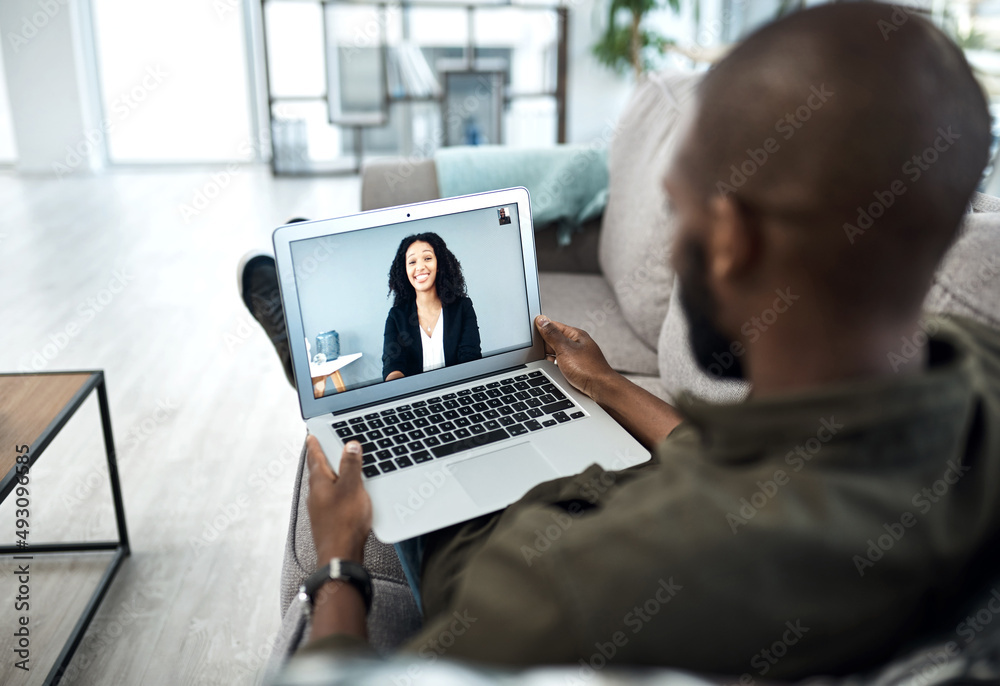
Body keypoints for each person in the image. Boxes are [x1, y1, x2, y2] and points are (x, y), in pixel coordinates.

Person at [255, 3, 1000, 680]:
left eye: (679, 212)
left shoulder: (566, 591)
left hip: (515, 532)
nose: (671, 247)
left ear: (732, 241)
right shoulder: (974, 381)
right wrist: (607, 383)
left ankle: (310, 366)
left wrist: (341, 560)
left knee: (403, 447)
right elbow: (756, 472)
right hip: (617, 486)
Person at [381, 232, 482, 381]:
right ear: (405, 270)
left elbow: (470, 360)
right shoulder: (397, 316)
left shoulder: (462, 308)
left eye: (427, 258)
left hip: (459, 390)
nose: (420, 267)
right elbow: (392, 367)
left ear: (439, 265)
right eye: (412, 262)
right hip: (415, 396)